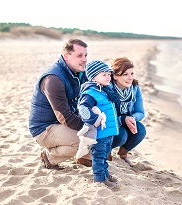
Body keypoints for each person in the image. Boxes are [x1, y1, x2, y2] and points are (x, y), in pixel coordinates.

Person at [29, 39, 92, 170]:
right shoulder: (54, 79)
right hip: (44, 128)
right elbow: (65, 117)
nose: (84, 59)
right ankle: (49, 157)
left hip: (61, 124)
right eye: (79, 55)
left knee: (94, 138)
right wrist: (89, 127)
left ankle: (82, 156)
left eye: (85, 55)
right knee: (84, 140)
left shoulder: (80, 73)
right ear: (66, 56)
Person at [78, 60, 119, 189]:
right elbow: (83, 108)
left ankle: (105, 174)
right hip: (100, 133)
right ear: (94, 77)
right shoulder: (91, 93)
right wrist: (96, 119)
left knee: (105, 155)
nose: (108, 76)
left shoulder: (105, 91)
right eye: (104, 74)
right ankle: (99, 179)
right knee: (99, 156)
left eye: (109, 74)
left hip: (108, 132)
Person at [108, 57, 146, 167]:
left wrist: (132, 118)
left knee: (140, 130)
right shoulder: (108, 89)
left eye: (132, 73)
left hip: (127, 120)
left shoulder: (134, 87)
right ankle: (107, 151)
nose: (130, 78)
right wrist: (123, 119)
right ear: (115, 76)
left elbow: (140, 112)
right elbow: (106, 116)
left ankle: (123, 154)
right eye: (125, 74)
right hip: (110, 124)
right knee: (121, 135)